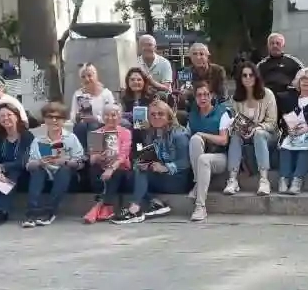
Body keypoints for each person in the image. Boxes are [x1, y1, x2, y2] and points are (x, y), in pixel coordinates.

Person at [111, 100, 191, 224]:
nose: (156, 117)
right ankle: (155, 203)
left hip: (177, 179)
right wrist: (144, 162)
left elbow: (186, 162)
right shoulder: (151, 133)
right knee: (128, 176)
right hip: (160, 176)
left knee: (141, 172)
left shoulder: (179, 134)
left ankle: (135, 210)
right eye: (153, 114)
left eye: (160, 114)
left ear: (168, 116)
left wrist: (165, 167)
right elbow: (146, 154)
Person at [23, 102, 85, 227]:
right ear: (45, 119)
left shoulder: (71, 138)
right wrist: (39, 162)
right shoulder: (38, 139)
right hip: (45, 172)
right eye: (50, 117)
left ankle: (49, 212)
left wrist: (65, 161)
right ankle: (32, 214)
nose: (54, 120)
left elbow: (81, 163)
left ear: (64, 120)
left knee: (64, 170)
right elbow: (29, 165)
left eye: (58, 117)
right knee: (37, 171)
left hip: (66, 175)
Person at [224, 61, 278, 196]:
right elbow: (234, 119)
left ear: (256, 76)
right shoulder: (236, 98)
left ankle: (264, 180)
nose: (248, 78)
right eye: (244, 75)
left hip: (267, 135)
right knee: (235, 135)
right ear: (240, 78)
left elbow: (272, 123)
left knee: (259, 133)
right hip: (245, 135)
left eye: (251, 75)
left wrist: (257, 128)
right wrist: (240, 128)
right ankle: (232, 179)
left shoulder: (267, 94)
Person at [0, 104, 34, 226]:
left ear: (17, 117)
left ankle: (2, 211)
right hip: (1, 171)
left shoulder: (27, 136)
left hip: (22, 172)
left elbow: (23, 161)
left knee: (11, 173)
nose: (6, 118)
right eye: (2, 116)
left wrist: (1, 167)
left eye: (9, 115)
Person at [186, 81, 232, 222]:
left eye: (206, 94)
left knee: (203, 158)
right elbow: (187, 136)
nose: (203, 98)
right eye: (199, 95)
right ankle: (198, 181)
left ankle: (200, 206)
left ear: (211, 96)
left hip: (220, 157)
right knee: (194, 140)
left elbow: (223, 140)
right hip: (200, 157)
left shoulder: (222, 112)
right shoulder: (193, 115)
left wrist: (203, 134)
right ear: (195, 98)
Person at [83, 104, 132, 223]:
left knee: (116, 172)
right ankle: (106, 207)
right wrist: (98, 157)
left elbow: (123, 155)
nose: (110, 118)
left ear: (119, 117)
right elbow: (92, 158)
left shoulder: (125, 133)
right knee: (94, 168)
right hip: (102, 167)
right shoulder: (96, 133)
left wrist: (111, 168)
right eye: (106, 115)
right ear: (102, 116)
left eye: (113, 115)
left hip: (120, 169)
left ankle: (101, 206)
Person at [69, 63, 116, 147]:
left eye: (89, 75)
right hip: (83, 125)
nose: (87, 79)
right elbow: (72, 115)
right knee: (80, 126)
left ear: (96, 76)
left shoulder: (106, 93)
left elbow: (113, 115)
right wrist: (78, 117)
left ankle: (94, 151)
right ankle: (81, 152)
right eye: (83, 77)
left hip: (102, 124)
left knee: (93, 125)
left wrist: (96, 118)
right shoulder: (78, 94)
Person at [177, 43, 227, 108]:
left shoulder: (218, 70)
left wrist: (196, 95)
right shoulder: (184, 72)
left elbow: (222, 95)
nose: (198, 57)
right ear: (190, 57)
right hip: (193, 107)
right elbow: (183, 94)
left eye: (201, 54)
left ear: (207, 56)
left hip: (214, 106)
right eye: (194, 54)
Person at [257, 32, 303, 100]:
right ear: (268, 46)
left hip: (288, 97)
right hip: (267, 97)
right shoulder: (261, 65)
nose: (275, 46)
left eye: (278, 43)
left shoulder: (293, 62)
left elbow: (305, 77)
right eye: (272, 43)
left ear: (283, 45)